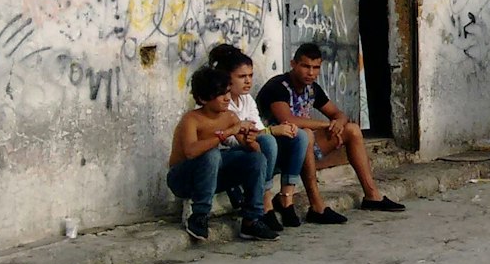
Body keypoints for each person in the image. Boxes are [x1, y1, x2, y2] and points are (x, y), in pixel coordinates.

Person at [257, 43, 405, 221]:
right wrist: (325, 125)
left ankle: (372, 195)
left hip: (301, 145)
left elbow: (338, 114)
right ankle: (317, 206)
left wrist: (339, 122)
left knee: (352, 130)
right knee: (307, 134)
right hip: (277, 150)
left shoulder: (312, 88)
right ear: (293, 64)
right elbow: (288, 121)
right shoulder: (278, 86)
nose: (310, 73)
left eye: (315, 68)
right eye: (305, 66)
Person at [166, 64, 278, 243]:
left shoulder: (230, 117)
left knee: (256, 159)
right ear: (203, 99)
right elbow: (190, 151)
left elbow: (255, 153)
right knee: (212, 154)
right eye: (220, 95)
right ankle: (199, 216)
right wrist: (227, 133)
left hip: (212, 176)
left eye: (227, 92)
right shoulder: (191, 119)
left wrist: (250, 141)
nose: (227, 98)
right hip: (182, 178)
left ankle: (252, 219)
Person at [209, 44, 309, 231]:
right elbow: (230, 140)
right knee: (268, 140)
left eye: (250, 76)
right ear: (227, 79)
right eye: (242, 77)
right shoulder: (222, 102)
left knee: (300, 136)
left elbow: (258, 128)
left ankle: (287, 198)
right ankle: (265, 201)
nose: (248, 81)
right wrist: (271, 131)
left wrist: (280, 130)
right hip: (232, 154)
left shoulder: (247, 99)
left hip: (250, 145)